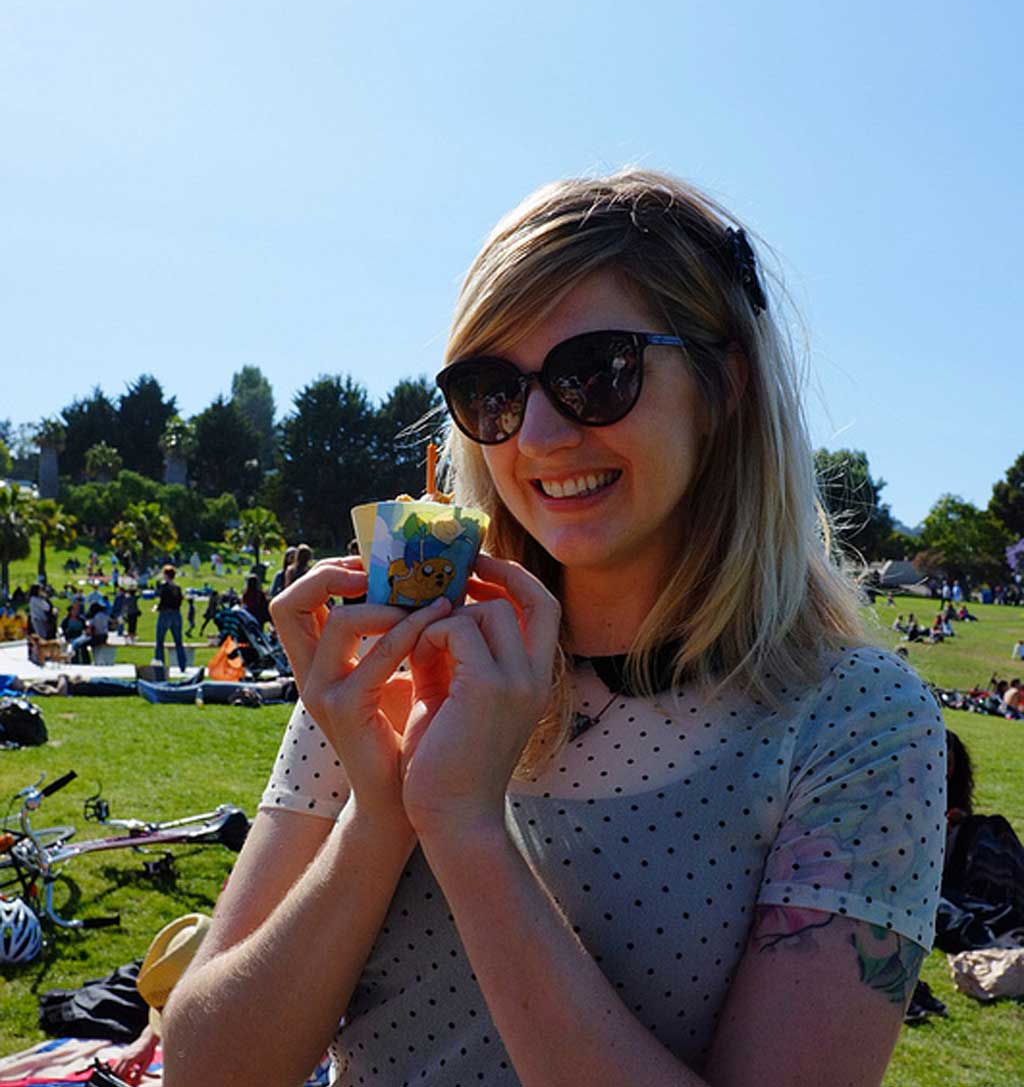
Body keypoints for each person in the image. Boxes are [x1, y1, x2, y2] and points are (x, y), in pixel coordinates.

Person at [165, 170, 946, 1087]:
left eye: (596, 372)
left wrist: (466, 831)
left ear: (724, 382)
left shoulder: (856, 720)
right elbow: (205, 1071)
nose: (535, 435)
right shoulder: (394, 662)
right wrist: (378, 814)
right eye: (493, 390)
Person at [154, 565, 188, 674]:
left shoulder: (164, 587)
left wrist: (157, 608)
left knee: (160, 642)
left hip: (165, 614)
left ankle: (160, 666)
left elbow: (162, 600)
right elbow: (180, 601)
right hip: (176, 614)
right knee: (178, 641)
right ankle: (182, 665)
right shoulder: (177, 587)